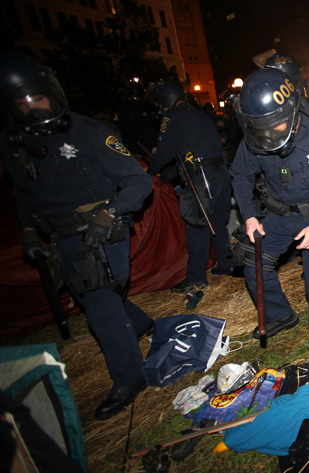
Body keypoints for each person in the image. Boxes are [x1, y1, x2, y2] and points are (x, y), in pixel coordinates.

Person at [0, 51, 154, 420]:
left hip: (101, 231)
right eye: (22, 103)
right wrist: (28, 230)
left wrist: (110, 211)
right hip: (62, 235)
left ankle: (129, 377)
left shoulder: (87, 132)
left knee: (99, 304)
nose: (33, 108)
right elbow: (23, 192)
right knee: (87, 296)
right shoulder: (12, 141)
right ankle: (142, 325)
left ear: (52, 93)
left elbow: (137, 182)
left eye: (37, 98)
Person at [230, 68, 309, 374]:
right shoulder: (256, 137)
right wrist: (249, 215)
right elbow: (240, 175)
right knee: (252, 261)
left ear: (291, 112)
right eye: (259, 127)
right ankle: (280, 315)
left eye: (273, 125)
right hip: (279, 215)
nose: (268, 136)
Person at [147, 79, 237, 292]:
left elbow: (164, 152)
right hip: (220, 173)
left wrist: (152, 170)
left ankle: (196, 277)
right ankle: (226, 263)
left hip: (200, 178)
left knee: (196, 226)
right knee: (217, 222)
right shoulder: (200, 113)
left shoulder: (172, 117)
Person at [116, 82, 160, 157]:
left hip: (144, 148)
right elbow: (121, 128)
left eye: (136, 98)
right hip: (130, 147)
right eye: (131, 97)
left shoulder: (148, 109)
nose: (134, 100)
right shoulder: (125, 110)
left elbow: (154, 129)